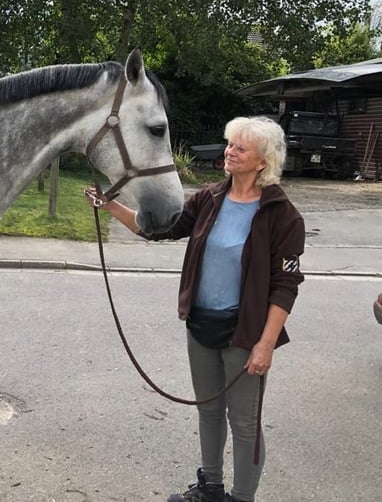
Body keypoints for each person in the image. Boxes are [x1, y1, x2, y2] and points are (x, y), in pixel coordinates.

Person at [86, 116, 305, 502]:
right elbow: (162, 229)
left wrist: (266, 344)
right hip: (201, 325)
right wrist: (111, 206)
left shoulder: (282, 215)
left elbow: (286, 286)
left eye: (240, 147)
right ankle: (211, 488)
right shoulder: (210, 198)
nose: (229, 151)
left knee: (245, 423)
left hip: (245, 332)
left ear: (262, 161)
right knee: (208, 412)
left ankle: (242, 497)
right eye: (230, 144)